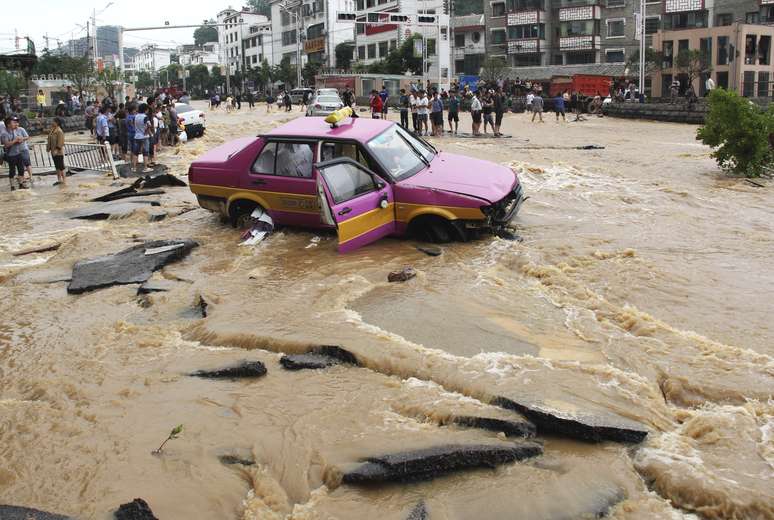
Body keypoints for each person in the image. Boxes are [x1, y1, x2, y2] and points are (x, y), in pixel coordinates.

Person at [1, 116, 29, 190]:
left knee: (21, 170)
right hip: (11, 155)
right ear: (8, 124)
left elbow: (23, 138)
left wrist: (21, 139)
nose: (15, 124)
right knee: (12, 171)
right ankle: (12, 186)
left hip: (18, 153)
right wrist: (15, 141)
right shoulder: (4, 134)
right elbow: (6, 145)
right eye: (13, 122)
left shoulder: (15, 130)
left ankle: (21, 184)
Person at [133, 103, 151, 173]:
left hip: (137, 136)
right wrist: (146, 131)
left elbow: (133, 123)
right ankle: (145, 168)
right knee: (145, 152)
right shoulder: (145, 117)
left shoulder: (136, 116)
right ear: (145, 110)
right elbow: (149, 125)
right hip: (144, 136)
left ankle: (134, 168)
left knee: (136, 152)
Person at [47, 117, 66, 185]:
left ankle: (64, 180)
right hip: (53, 151)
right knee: (57, 166)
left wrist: (57, 150)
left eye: (53, 121)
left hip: (58, 152)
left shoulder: (59, 131)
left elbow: (60, 142)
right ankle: (59, 180)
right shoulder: (53, 130)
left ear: (57, 123)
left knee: (61, 166)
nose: (52, 122)